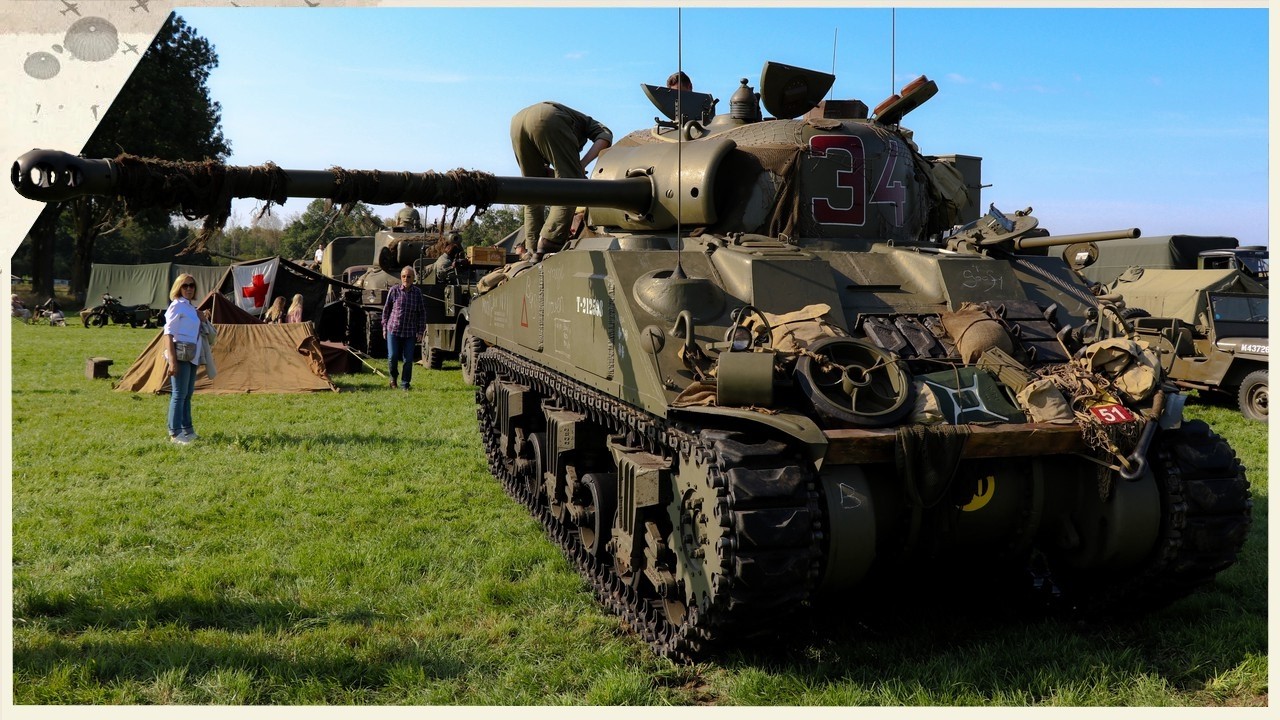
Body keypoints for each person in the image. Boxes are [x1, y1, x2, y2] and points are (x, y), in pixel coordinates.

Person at [509, 101, 613, 258]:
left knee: (532, 191)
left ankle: (532, 250)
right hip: (548, 118)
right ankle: (549, 241)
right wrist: (580, 166)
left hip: (517, 122)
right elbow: (605, 135)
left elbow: (544, 176)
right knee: (571, 187)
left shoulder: (567, 121)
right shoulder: (588, 123)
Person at [164, 274, 202, 445]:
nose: (189, 288)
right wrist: (172, 361)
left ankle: (188, 429)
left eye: (192, 285)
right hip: (179, 353)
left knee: (187, 394)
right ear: (178, 288)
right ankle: (175, 432)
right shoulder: (176, 306)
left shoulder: (190, 308)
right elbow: (168, 334)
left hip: (192, 354)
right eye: (185, 285)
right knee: (178, 394)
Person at [382, 265, 428, 391]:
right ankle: (393, 378)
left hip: (410, 332)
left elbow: (422, 313)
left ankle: (405, 384)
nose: (406, 279)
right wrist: (384, 328)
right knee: (392, 356)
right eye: (403, 276)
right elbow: (386, 310)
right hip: (394, 330)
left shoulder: (417, 293)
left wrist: (420, 331)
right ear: (400, 277)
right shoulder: (394, 290)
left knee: (408, 360)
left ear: (413, 278)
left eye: (409, 276)